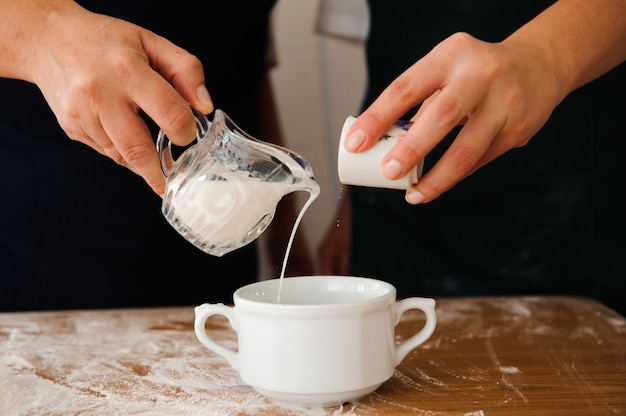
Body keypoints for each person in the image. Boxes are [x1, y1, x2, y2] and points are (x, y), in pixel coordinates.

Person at [0, 0, 312, 312]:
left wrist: (286, 232)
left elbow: (246, 63)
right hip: (52, 258)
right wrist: (45, 35)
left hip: (221, 248)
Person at [320, 0, 626, 316]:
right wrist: (351, 206)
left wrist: (546, 56)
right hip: (394, 218)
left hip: (563, 209)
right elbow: (390, 59)